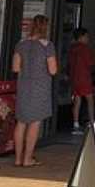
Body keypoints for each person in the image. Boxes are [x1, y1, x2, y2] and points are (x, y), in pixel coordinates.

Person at [13, 15, 58, 167]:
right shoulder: (47, 45)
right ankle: (28, 158)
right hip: (40, 87)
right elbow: (52, 70)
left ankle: (18, 158)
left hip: (24, 86)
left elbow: (15, 67)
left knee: (21, 122)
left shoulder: (21, 44)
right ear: (45, 28)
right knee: (35, 122)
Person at [68, 28, 95, 134]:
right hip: (84, 78)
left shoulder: (72, 48)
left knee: (77, 101)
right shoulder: (84, 48)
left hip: (74, 78)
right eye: (86, 36)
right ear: (81, 37)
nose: (88, 38)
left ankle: (75, 124)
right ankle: (91, 122)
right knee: (90, 100)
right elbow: (90, 62)